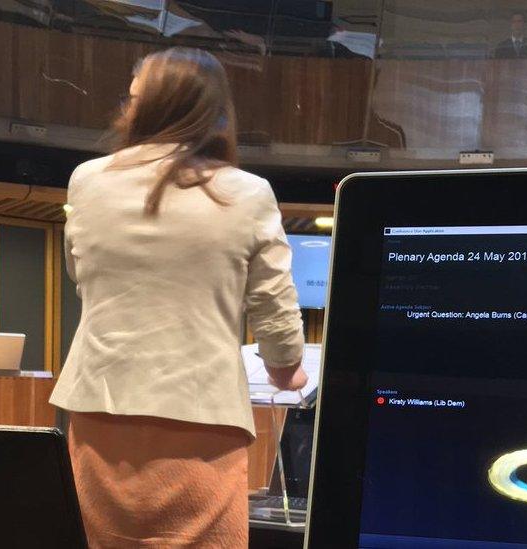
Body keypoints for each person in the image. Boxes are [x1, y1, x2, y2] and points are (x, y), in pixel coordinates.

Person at [49, 47, 308, 547]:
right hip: (202, 415)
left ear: (142, 106)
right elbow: (276, 315)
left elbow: (81, 276)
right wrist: (286, 370)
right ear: (214, 111)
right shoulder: (249, 192)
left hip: (101, 408)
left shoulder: (87, 181)